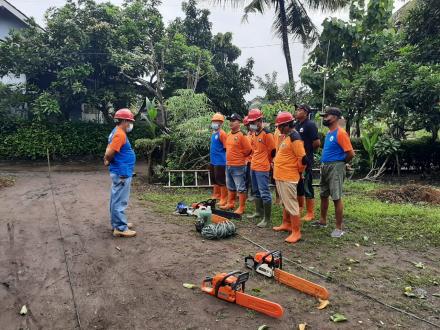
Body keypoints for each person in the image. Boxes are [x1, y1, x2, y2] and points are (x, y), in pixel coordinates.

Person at [312, 107, 355, 238]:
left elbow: (350, 153)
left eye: (327, 116)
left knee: (336, 197)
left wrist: (341, 162)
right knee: (324, 195)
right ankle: (323, 221)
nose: (324, 118)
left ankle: (338, 228)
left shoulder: (340, 133)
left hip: (335, 167)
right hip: (325, 166)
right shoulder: (330, 133)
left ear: (335, 117)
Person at [272, 112, 306, 243]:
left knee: (291, 204)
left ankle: (296, 232)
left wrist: (298, 173)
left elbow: (302, 159)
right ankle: (285, 223)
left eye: (280, 126)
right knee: (285, 202)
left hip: (289, 176)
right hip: (281, 175)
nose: (278, 129)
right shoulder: (287, 136)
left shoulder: (295, 137)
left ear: (287, 125)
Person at [104, 108, 137, 238]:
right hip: (122, 172)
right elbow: (109, 152)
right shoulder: (120, 134)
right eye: (129, 121)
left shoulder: (116, 132)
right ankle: (120, 228)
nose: (130, 124)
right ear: (124, 121)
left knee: (116, 198)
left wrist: (107, 160)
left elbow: (108, 148)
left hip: (120, 171)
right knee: (120, 201)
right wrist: (107, 159)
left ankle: (118, 223)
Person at [246, 108, 276, 227]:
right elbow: (254, 149)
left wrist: (267, 162)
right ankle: (258, 212)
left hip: (262, 167)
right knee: (256, 191)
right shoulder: (254, 134)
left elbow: (272, 151)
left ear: (260, 120)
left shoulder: (267, 134)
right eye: (250, 123)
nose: (252, 125)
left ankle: (266, 218)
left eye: (254, 122)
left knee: (264, 192)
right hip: (253, 165)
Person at [220, 113, 252, 214]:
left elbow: (248, 150)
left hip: (238, 166)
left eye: (233, 121)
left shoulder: (242, 135)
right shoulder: (229, 134)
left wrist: (239, 156)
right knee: (230, 186)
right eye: (230, 121)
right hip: (228, 164)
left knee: (240, 187)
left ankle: (241, 207)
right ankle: (231, 203)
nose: (231, 123)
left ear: (239, 122)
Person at [295, 104, 321, 221]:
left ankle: (310, 213)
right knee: (298, 185)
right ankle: (300, 207)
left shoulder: (310, 125)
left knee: (307, 185)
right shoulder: (296, 124)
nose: (297, 111)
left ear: (306, 112)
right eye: (297, 109)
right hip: (296, 161)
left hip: (306, 161)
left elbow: (317, 143)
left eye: (300, 110)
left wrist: (307, 152)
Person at [209, 112, 228, 207]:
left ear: (221, 123)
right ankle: (216, 194)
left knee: (221, 180)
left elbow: (226, 148)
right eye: (213, 121)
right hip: (213, 161)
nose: (214, 123)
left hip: (220, 161)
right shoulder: (213, 133)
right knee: (214, 179)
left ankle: (224, 198)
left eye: (216, 121)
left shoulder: (222, 134)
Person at [243, 115, 255, 202]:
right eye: (246, 126)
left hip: (254, 160)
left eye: (248, 125)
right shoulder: (248, 134)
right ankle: (246, 194)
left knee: (252, 179)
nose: (247, 127)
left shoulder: (256, 134)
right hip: (248, 160)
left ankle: (253, 195)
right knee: (247, 178)